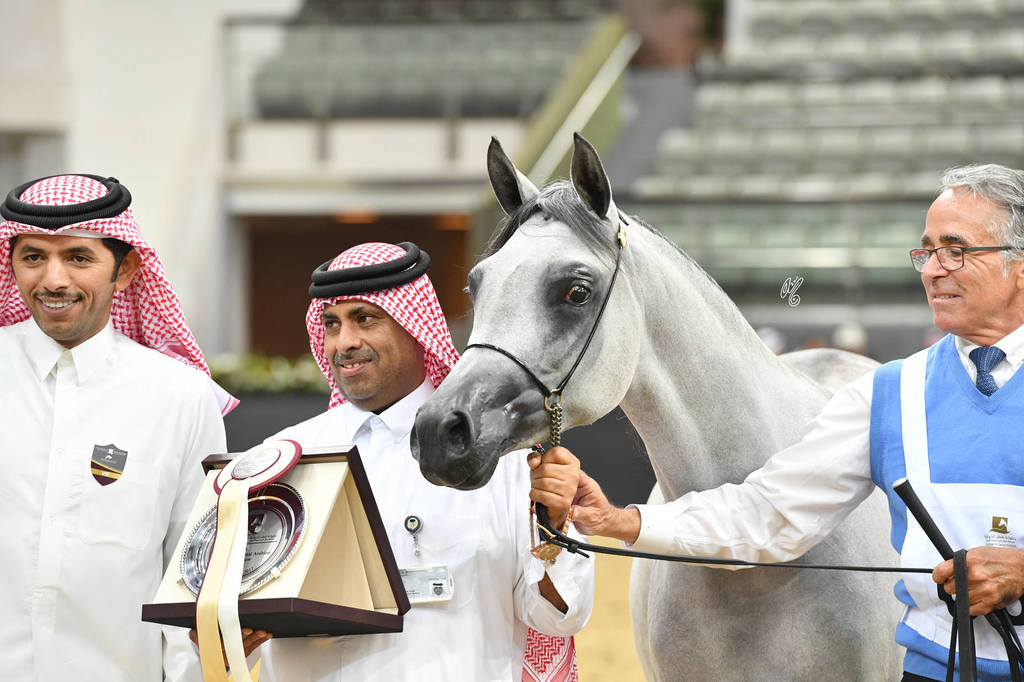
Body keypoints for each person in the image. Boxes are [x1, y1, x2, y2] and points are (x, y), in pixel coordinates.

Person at [557, 164, 1024, 682]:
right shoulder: (888, 393)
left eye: (955, 250)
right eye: (927, 251)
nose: (933, 270)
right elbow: (769, 514)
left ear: (1019, 265)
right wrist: (620, 520)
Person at [256, 241, 594, 682]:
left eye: (365, 318)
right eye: (332, 324)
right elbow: (230, 622)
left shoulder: (496, 457)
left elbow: (558, 617)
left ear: (416, 325)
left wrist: (554, 529)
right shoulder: (284, 457)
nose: (345, 342)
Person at [0, 174, 236, 681]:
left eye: (78, 258)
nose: (53, 280)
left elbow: (192, 572)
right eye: (33, 257)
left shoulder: (180, 396)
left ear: (125, 269)